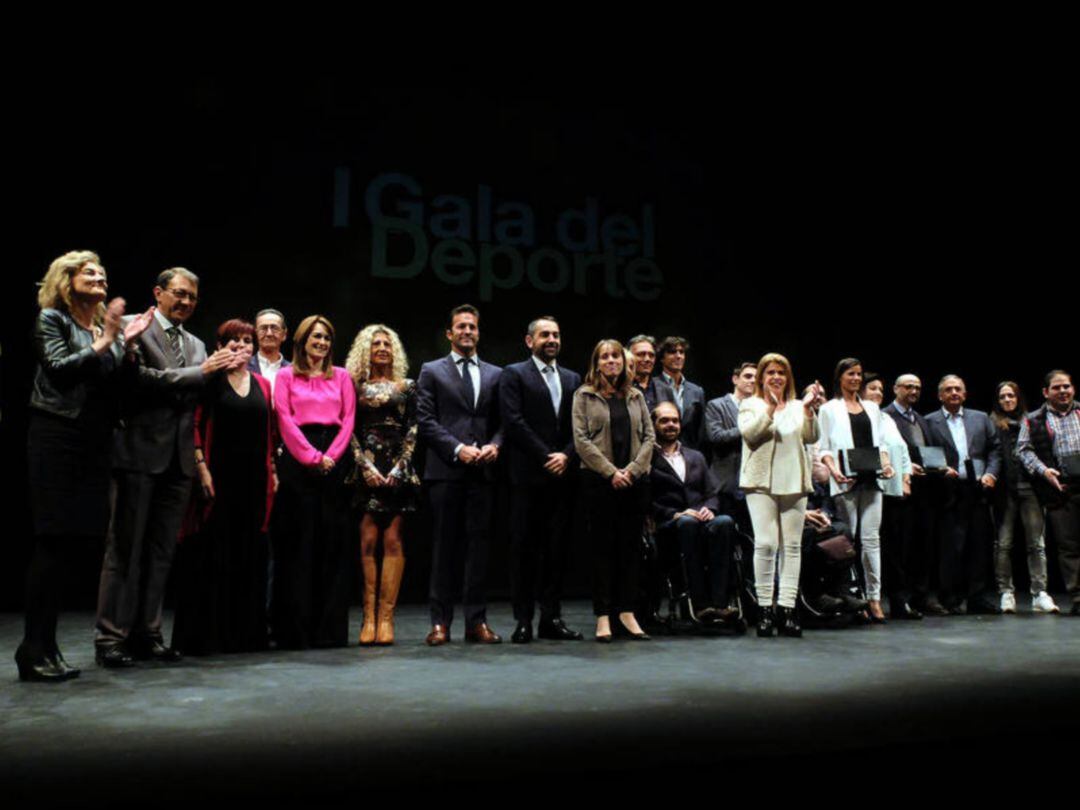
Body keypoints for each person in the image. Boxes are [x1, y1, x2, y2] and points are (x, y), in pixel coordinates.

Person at [16, 251, 153, 681]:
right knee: (51, 542)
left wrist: (126, 344)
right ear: (66, 279)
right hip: (57, 435)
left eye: (102, 273)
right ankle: (33, 647)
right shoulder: (51, 320)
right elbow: (58, 371)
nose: (99, 277)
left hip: (94, 442)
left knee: (75, 545)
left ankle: (47, 647)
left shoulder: (99, 328)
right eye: (89, 272)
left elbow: (115, 385)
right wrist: (106, 339)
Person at [96, 267, 242, 668]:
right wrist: (202, 372)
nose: (186, 302)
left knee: (161, 553)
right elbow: (136, 380)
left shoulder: (196, 344)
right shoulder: (132, 327)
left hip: (178, 459)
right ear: (158, 293)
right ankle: (111, 637)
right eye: (179, 294)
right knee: (125, 549)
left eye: (192, 297)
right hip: (137, 453)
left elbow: (195, 397)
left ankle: (148, 633)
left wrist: (219, 372)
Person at [171, 319, 278, 655]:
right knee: (214, 555)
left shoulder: (263, 384)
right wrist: (201, 468)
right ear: (220, 346)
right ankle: (210, 636)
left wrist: (273, 470)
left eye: (247, 341)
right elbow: (195, 425)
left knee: (249, 554)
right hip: (217, 480)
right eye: (233, 341)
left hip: (254, 482)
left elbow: (269, 433)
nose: (241, 346)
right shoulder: (210, 381)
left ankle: (245, 636)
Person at [416, 304, 503, 645]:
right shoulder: (432, 370)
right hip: (446, 470)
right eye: (461, 327)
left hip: (483, 472)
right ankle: (440, 622)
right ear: (449, 334)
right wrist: (456, 448)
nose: (467, 331)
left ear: (478, 333)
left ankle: (476, 622)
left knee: (479, 549)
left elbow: (503, 422)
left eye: (472, 327)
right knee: (443, 549)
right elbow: (426, 421)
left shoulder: (496, 374)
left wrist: (495, 445)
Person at [270, 315, 356, 648]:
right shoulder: (286, 376)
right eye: (315, 337)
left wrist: (331, 456)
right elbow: (285, 419)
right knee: (299, 547)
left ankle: (329, 632)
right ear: (303, 340)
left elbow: (348, 420)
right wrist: (312, 458)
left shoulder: (343, 376)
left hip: (335, 459)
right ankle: (296, 632)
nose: (321, 343)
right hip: (298, 461)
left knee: (332, 548)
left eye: (326, 338)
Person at [499, 316, 583, 643]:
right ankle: (523, 620)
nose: (552, 339)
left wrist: (567, 454)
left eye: (556, 334)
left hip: (563, 478)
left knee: (557, 551)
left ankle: (551, 618)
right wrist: (547, 455)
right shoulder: (514, 374)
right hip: (527, 477)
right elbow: (513, 421)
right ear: (529, 340)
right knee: (524, 551)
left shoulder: (573, 378)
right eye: (545, 334)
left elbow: (582, 426)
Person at [573, 339, 655, 642]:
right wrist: (611, 472)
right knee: (602, 551)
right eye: (605, 357)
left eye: (615, 357)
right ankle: (604, 615)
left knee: (630, 550)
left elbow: (649, 436)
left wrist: (631, 471)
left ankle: (627, 612)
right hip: (599, 483)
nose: (611, 361)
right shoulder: (584, 395)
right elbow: (581, 441)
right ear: (597, 363)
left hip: (634, 483)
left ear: (623, 361)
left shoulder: (635, 396)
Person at [345, 324, 420, 646]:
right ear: (366, 348)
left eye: (387, 343)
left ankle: (387, 618)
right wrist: (364, 466)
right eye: (375, 343)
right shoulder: (353, 386)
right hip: (365, 471)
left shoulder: (408, 386)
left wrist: (401, 467)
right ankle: (369, 616)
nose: (382, 348)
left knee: (392, 540)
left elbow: (415, 428)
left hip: (397, 472)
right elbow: (346, 427)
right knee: (367, 540)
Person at [739, 353, 823, 638]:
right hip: (760, 483)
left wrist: (810, 411)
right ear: (762, 376)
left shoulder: (799, 405)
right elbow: (750, 435)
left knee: (792, 546)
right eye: (770, 372)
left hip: (794, 481)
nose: (776, 377)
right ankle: (764, 609)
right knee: (765, 544)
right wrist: (770, 411)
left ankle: (787, 609)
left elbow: (811, 437)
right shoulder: (751, 404)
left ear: (788, 377)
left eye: (781, 372)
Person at [817, 359, 895, 623]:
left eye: (859, 374)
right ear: (840, 377)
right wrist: (833, 470)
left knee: (872, 540)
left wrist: (886, 465)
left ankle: (874, 597)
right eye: (850, 374)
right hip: (845, 479)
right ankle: (853, 595)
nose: (855, 379)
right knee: (847, 542)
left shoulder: (872, 408)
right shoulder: (829, 409)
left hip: (872, 479)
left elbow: (881, 444)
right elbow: (824, 447)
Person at [650, 402, 738, 622]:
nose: (671, 425)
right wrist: (674, 514)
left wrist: (709, 509)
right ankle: (700, 605)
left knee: (724, 521)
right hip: (671, 525)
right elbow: (646, 500)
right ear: (653, 424)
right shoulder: (647, 458)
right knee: (687, 524)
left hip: (700, 519)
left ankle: (720, 603)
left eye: (675, 420)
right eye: (664, 420)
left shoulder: (695, 456)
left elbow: (711, 492)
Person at [924, 375, 1002, 614]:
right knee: (951, 547)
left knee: (979, 544)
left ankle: (977, 596)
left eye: (958, 389)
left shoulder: (981, 418)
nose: (954, 393)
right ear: (940, 395)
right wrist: (939, 470)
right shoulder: (929, 421)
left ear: (965, 394)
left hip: (979, 488)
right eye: (948, 390)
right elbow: (926, 453)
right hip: (948, 490)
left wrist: (992, 474)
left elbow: (995, 450)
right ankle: (951, 598)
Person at [989, 381, 1058, 614]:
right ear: (997, 401)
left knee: (1036, 543)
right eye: (1002, 397)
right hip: (1004, 490)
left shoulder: (1033, 420)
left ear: (1018, 398)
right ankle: (1006, 592)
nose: (1007, 400)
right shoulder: (992, 423)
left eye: (1011, 396)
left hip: (1031, 487)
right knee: (1004, 544)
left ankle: (1039, 592)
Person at [1017, 370, 1080, 616]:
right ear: (1046, 392)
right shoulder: (1033, 419)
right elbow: (1023, 450)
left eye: (1067, 386)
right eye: (1057, 387)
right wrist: (1044, 472)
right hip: (1060, 488)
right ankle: (1077, 595)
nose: (1063, 391)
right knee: (1068, 546)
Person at [882, 374, 943, 616]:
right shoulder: (886, 416)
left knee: (923, 546)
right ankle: (900, 598)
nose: (913, 391)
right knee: (900, 547)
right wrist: (907, 469)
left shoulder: (921, 419)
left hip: (924, 491)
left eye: (917, 387)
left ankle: (921, 595)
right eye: (908, 386)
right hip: (898, 490)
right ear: (895, 388)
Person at [861, 372, 920, 620]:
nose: (877, 393)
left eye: (880, 390)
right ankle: (866, 600)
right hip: (870, 490)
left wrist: (906, 476)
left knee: (896, 550)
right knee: (868, 546)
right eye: (872, 388)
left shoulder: (885, 418)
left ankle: (898, 600)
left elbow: (901, 449)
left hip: (895, 491)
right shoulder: (860, 418)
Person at [704, 361, 757, 530]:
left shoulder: (761, 409)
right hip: (725, 484)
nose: (753, 380)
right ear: (735, 379)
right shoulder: (717, 405)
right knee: (726, 536)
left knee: (753, 538)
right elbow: (717, 437)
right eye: (748, 376)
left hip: (753, 484)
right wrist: (751, 427)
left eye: (757, 378)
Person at [654, 336, 706, 450]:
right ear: (662, 358)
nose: (678, 356)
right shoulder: (652, 385)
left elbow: (701, 431)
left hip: (689, 453)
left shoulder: (697, 391)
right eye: (672, 352)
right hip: (658, 452)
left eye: (681, 352)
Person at [249, 308, 290, 394]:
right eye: (263, 328)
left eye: (274, 328)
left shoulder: (294, 370)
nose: (269, 333)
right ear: (255, 334)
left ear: (284, 334)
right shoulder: (243, 368)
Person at [627, 334, 663, 411]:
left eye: (651, 355)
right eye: (641, 354)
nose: (647, 359)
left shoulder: (666, 390)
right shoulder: (619, 388)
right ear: (628, 357)